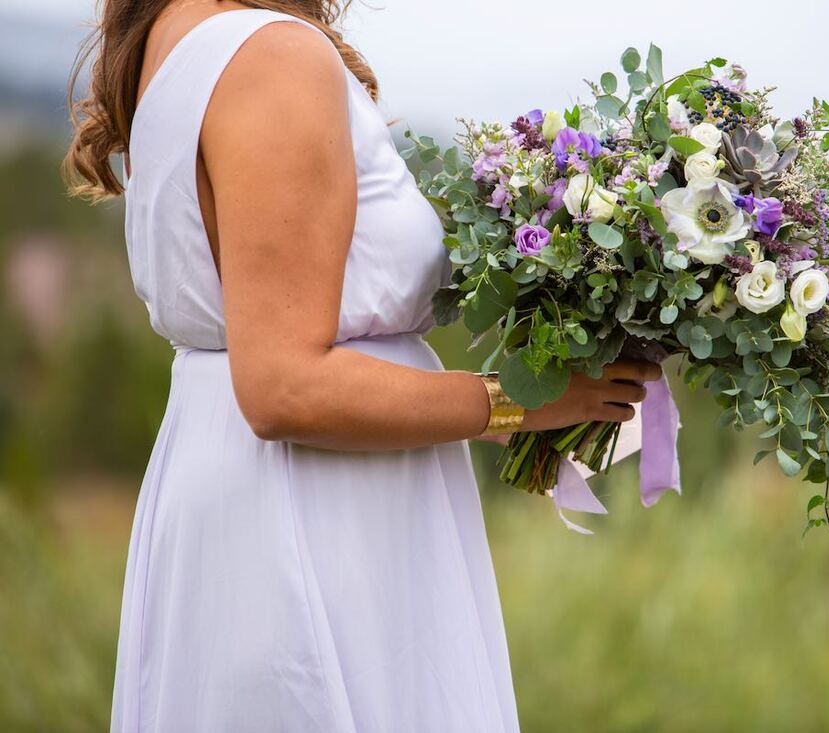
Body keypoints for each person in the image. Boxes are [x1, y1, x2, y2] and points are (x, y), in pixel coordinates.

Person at [65, 1, 660, 730]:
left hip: (249, 481)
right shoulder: (272, 58)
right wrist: (517, 404)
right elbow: (286, 386)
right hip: (318, 508)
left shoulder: (177, 36)